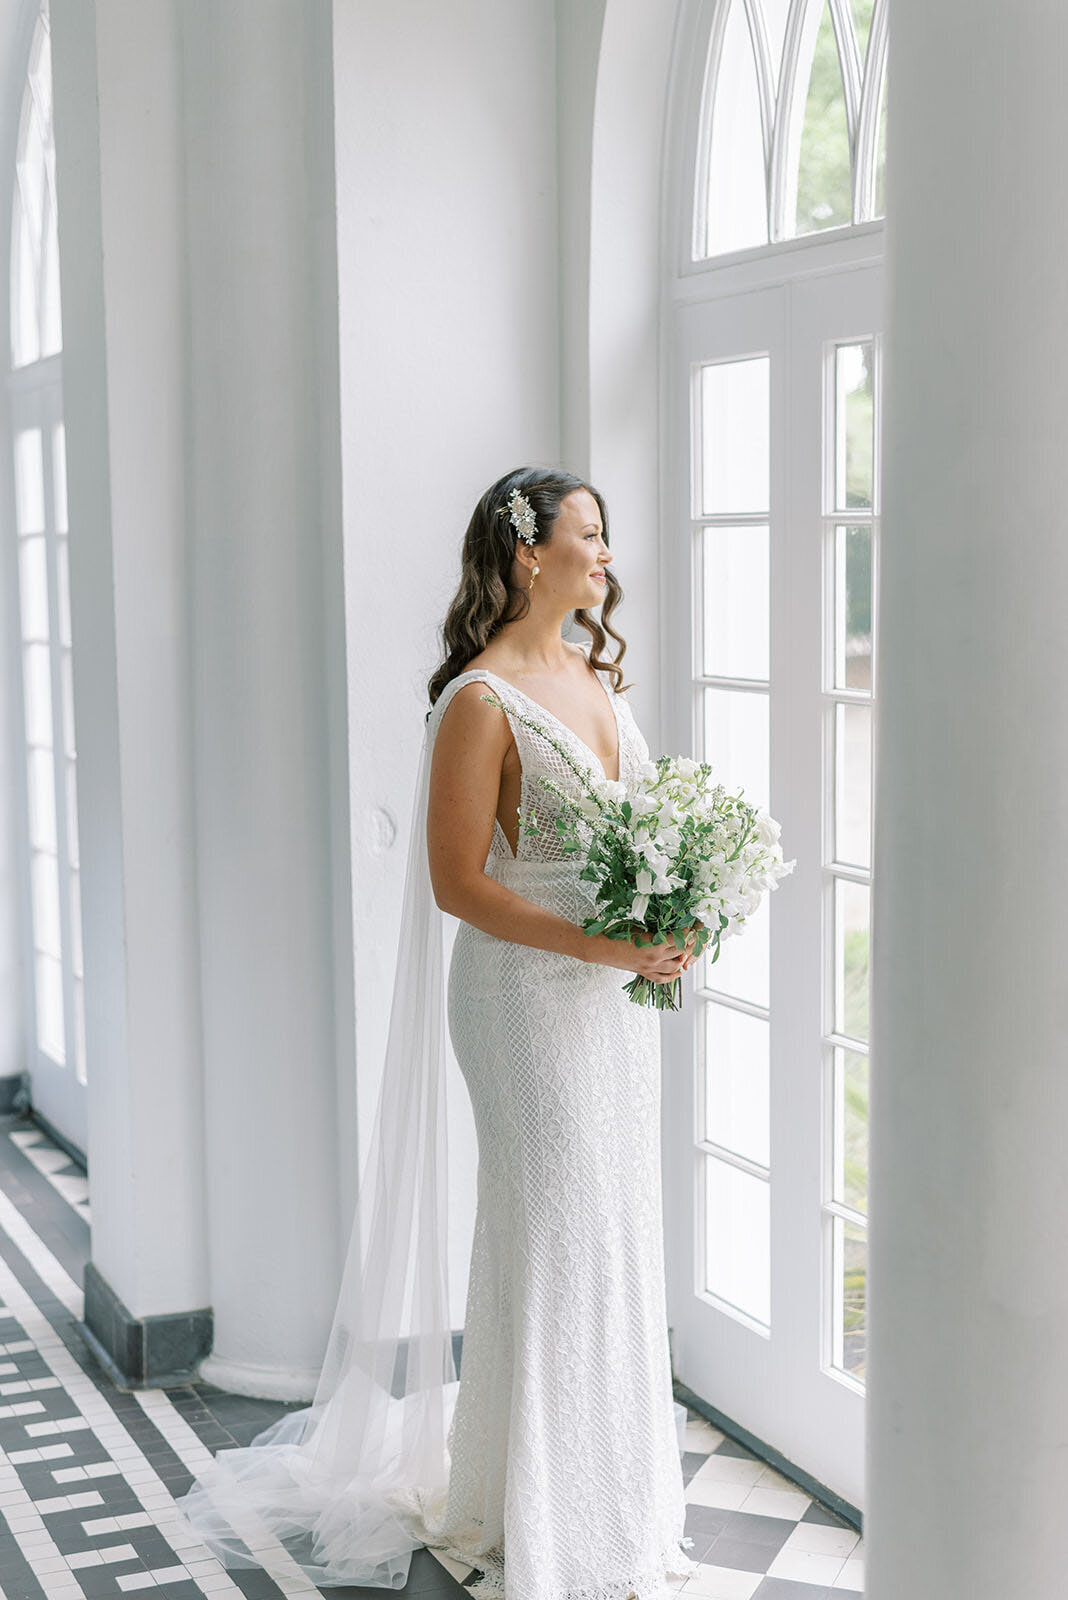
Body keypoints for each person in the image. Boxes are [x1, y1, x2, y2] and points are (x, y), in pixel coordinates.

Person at [174, 467, 699, 1600]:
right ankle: (540, 1519)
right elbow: (459, 883)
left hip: (614, 1006)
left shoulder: (599, 677)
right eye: (588, 534)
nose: (606, 553)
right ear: (528, 555)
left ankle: (608, 1499)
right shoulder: (479, 699)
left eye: (605, 536)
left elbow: (645, 835)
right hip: (522, 1003)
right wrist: (606, 946)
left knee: (612, 1233)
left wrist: (672, 915)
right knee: (553, 1236)